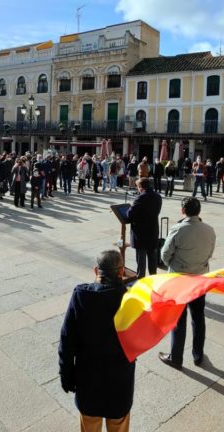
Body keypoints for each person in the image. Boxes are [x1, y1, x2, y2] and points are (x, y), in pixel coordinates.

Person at [59, 250, 135, 432]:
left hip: (88, 381)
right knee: (118, 425)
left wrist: (66, 376)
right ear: (121, 271)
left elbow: (67, 340)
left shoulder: (81, 295)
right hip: (120, 382)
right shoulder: (131, 299)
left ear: (96, 270)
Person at [158, 198, 216, 369]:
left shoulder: (178, 229)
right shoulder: (209, 229)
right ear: (199, 211)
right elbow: (210, 252)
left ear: (183, 210)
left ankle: (176, 357)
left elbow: (165, 254)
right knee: (198, 317)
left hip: (180, 280)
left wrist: (173, 266)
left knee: (178, 319)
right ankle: (198, 355)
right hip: (199, 279)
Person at [126, 178, 162, 278]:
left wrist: (130, 207)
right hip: (153, 230)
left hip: (141, 232)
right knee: (152, 257)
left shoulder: (140, 198)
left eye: (138, 187)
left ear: (141, 187)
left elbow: (130, 214)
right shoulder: (157, 196)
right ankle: (153, 279)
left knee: (141, 259)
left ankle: (141, 279)